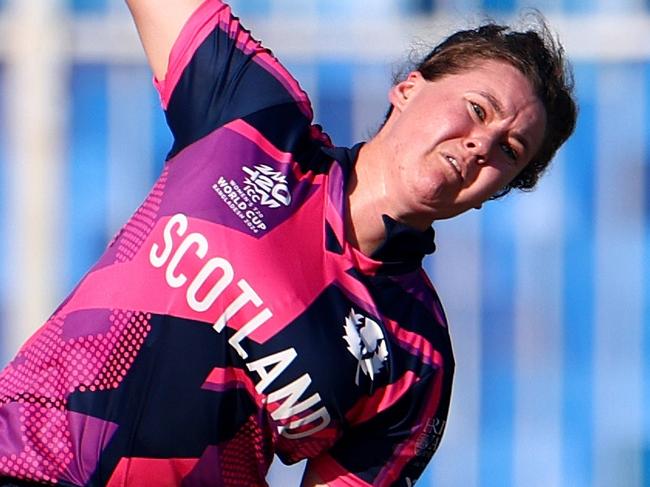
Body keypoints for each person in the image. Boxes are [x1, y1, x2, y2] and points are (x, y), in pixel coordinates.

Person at [0, 0, 576, 485]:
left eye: (509, 151)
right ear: (408, 88)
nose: (483, 145)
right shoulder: (255, 118)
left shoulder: (416, 356)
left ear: (495, 193)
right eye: (478, 109)